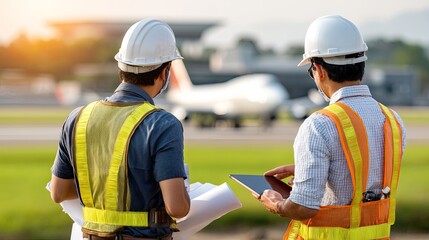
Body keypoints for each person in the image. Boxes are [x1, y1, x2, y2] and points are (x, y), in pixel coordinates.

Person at [255, 15, 406, 240]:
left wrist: (276, 204)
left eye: (311, 71)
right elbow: (367, 181)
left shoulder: (319, 124)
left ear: (320, 70)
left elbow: (304, 206)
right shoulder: (392, 120)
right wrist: (314, 171)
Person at [49, 18, 190, 240]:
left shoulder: (77, 118)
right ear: (165, 72)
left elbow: (59, 193)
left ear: (120, 66)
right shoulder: (163, 124)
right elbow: (177, 208)